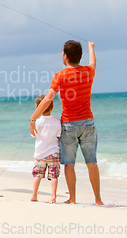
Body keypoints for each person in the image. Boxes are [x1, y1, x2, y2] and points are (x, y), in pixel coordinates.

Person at [29, 40, 103, 206]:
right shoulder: (88, 72)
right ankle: (98, 200)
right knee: (92, 162)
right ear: (79, 56)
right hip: (88, 123)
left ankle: (73, 199)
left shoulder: (60, 76)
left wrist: (33, 119)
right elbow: (93, 63)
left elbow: (47, 99)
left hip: (69, 124)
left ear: (65, 56)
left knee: (69, 164)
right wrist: (91, 49)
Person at [30, 95, 61, 203]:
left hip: (40, 154)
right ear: (52, 108)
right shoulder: (57, 121)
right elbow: (59, 135)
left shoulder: (37, 122)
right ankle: (53, 196)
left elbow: (33, 134)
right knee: (54, 176)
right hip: (53, 152)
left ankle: (34, 195)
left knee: (37, 175)